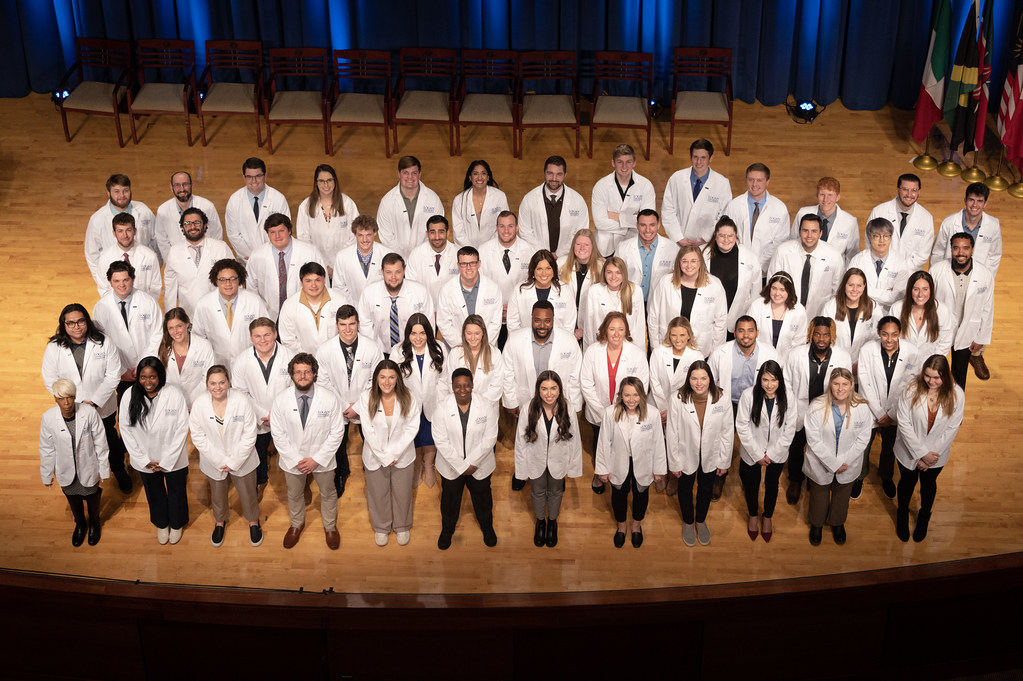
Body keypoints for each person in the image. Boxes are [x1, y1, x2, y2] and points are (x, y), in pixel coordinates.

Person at [42, 303, 131, 493]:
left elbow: (113, 374)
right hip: (71, 408)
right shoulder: (54, 348)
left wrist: (95, 402)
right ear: (63, 325)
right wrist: (72, 403)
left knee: (109, 438)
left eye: (80, 321)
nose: (76, 326)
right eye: (70, 323)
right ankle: (84, 478)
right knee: (79, 442)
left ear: (87, 322)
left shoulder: (104, 342)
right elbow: (50, 380)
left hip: (102, 406)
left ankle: (118, 469)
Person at [270, 353, 345, 550]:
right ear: (292, 375)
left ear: (314, 373)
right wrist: (295, 459)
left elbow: (337, 432)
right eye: (298, 372)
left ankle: (330, 526)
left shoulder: (329, 399)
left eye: (307, 372)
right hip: (292, 460)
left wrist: (317, 459)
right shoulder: (280, 400)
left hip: (323, 459)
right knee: (294, 494)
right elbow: (277, 434)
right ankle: (296, 524)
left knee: (328, 493)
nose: (302, 376)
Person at [188, 365, 263, 548]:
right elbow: (197, 435)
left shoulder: (242, 400)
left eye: (222, 382)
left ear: (229, 382)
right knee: (218, 494)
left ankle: (253, 521)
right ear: (207, 384)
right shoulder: (199, 404)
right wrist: (220, 460)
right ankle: (219, 521)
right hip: (214, 461)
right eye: (213, 383)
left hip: (243, 459)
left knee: (248, 493)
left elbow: (250, 433)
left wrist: (234, 461)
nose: (218, 387)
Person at [894, 354, 965, 542]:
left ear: (946, 376)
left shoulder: (957, 394)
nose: (931, 381)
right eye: (927, 376)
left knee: (928, 486)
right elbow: (904, 422)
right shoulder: (910, 389)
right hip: (908, 451)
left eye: (936, 377)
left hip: (936, 456)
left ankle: (924, 516)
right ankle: (902, 514)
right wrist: (921, 453)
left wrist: (929, 457)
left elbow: (952, 427)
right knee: (906, 484)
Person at [707, 315, 779, 500]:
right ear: (735, 332)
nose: (745, 335)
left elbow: (778, 380)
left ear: (757, 333)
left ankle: (747, 477)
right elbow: (710, 380)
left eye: (750, 330)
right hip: (727, 402)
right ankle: (719, 476)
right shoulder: (720, 352)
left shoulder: (770, 353)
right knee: (721, 440)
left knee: (751, 440)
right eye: (741, 330)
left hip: (755, 402)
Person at [119, 357, 190, 545]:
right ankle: (161, 523)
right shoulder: (128, 396)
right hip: (145, 459)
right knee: (154, 492)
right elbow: (125, 430)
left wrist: (167, 460)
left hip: (173, 458)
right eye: (143, 377)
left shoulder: (174, 394)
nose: (148, 382)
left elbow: (182, 428)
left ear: (161, 376)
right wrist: (143, 459)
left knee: (176, 491)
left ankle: (176, 524)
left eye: (152, 377)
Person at [315, 305, 383, 497]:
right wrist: (345, 406)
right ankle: (342, 473)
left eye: (352, 324)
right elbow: (324, 383)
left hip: (366, 404)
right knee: (338, 442)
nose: (347, 329)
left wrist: (359, 406)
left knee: (371, 438)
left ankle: (371, 470)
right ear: (336, 325)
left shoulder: (372, 347)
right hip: (338, 406)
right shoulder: (325, 350)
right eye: (343, 325)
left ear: (358, 324)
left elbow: (376, 380)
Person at [783, 317, 853, 505]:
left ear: (832, 336)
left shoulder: (842, 356)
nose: (821, 338)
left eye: (826, 334)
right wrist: (790, 409)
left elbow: (845, 386)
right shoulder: (796, 354)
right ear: (811, 334)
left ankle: (814, 479)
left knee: (821, 446)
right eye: (817, 334)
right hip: (800, 409)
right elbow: (787, 383)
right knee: (797, 446)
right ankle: (796, 480)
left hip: (827, 410)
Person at [803, 367, 872, 546]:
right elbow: (813, 440)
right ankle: (817, 524)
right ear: (830, 385)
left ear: (851, 385)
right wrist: (833, 462)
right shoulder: (817, 406)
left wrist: (844, 461)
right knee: (819, 494)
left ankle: (837, 522)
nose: (840, 388)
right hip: (821, 462)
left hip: (849, 463)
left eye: (844, 384)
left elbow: (864, 437)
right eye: (836, 384)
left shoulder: (862, 407)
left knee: (842, 494)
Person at [581, 312, 649, 494]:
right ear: (605, 330)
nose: (616, 333)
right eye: (612, 329)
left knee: (623, 445)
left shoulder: (636, 354)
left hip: (628, 411)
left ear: (626, 330)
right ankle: (599, 473)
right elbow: (586, 383)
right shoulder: (593, 351)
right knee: (600, 443)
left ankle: (622, 474)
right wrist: (603, 412)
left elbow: (641, 385)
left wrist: (624, 410)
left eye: (620, 329)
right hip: (598, 412)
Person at [666, 361, 733, 546]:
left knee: (705, 489)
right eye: (694, 378)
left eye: (703, 378)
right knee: (685, 489)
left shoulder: (722, 397)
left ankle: (700, 520)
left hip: (712, 455)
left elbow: (727, 431)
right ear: (689, 379)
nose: (699, 382)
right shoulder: (677, 398)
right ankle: (688, 521)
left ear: (710, 378)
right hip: (685, 454)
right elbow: (672, 433)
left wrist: (724, 461)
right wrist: (674, 463)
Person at [514, 370, 582, 548]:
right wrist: (521, 469)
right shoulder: (528, 408)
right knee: (537, 492)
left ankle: (552, 521)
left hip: (558, 461)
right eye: (544, 389)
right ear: (538, 390)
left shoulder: (569, 408)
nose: (549, 393)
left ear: (560, 389)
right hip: (535, 460)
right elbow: (520, 442)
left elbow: (575, 440)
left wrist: (573, 467)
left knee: (555, 492)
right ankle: (540, 522)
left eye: (553, 388)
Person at [595, 377, 666, 548]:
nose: (631, 400)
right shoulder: (610, 413)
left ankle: (636, 525)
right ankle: (621, 526)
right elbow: (603, 442)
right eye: (627, 395)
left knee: (641, 495)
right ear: (621, 396)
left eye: (635, 395)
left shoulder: (653, 414)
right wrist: (602, 469)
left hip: (644, 463)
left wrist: (659, 470)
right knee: (618, 495)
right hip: (618, 462)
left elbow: (658, 443)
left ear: (642, 395)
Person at [356, 358, 421, 547]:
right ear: (376, 378)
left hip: (403, 456)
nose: (387, 381)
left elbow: (412, 427)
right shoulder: (366, 397)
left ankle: (402, 525)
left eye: (391, 377)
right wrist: (385, 456)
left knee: (402, 493)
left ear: (398, 379)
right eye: (382, 377)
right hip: (375, 456)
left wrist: (394, 453)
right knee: (378, 493)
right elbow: (368, 430)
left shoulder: (409, 396)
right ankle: (382, 526)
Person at [433, 368, 500, 549]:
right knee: (449, 501)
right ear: (452, 387)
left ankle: (487, 528)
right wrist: (461, 465)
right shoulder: (441, 407)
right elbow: (440, 440)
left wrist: (472, 462)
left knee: (483, 499)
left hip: (479, 466)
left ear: (472, 385)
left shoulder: (486, 405)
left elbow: (490, 437)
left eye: (466, 385)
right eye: (458, 386)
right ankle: (447, 530)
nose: (462, 389)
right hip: (451, 467)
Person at [856, 316, 920, 500]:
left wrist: (891, 414)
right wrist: (878, 412)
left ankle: (886, 476)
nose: (889, 339)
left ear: (900, 333)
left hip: (896, 412)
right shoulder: (868, 350)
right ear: (879, 333)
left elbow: (909, 386)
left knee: (890, 447)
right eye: (885, 334)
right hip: (870, 409)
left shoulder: (912, 352)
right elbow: (864, 382)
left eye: (894, 334)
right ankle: (859, 477)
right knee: (864, 446)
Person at [39, 378, 109, 546]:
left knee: (91, 494)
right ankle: (80, 523)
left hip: (88, 466)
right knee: (72, 496)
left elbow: (101, 442)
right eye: (61, 398)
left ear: (75, 396)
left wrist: (104, 469)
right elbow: (46, 448)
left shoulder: (89, 413)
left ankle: (94, 521)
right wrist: (47, 475)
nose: (67, 402)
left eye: (70, 397)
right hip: (66, 469)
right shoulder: (48, 418)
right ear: (55, 398)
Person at [230, 317, 294, 497]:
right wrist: (265, 414)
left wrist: (278, 414)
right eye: (257, 336)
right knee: (259, 450)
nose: (263, 340)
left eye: (267, 334)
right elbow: (241, 393)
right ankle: (261, 480)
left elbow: (294, 388)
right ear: (251, 338)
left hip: (286, 414)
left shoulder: (289, 356)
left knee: (292, 448)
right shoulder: (241, 361)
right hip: (258, 417)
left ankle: (298, 483)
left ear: (275, 334)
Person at [735, 361, 796, 542]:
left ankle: (767, 516)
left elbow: (790, 429)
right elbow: (742, 427)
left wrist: (772, 454)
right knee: (751, 485)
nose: (769, 385)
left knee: (772, 485)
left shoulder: (789, 397)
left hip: (777, 452)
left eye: (774, 380)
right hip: (752, 451)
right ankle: (753, 515)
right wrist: (757, 454)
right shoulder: (748, 396)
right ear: (759, 379)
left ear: (780, 381)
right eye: (765, 380)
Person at [930, 233, 995, 388]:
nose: (960, 253)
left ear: (972, 249)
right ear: (951, 249)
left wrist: (982, 338)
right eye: (956, 248)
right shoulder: (937, 271)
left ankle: (956, 406)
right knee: (935, 369)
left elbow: (988, 308)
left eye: (966, 248)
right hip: (941, 330)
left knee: (959, 373)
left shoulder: (984, 274)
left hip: (967, 332)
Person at [90, 261, 163, 395]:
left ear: (133, 279)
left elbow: (157, 334)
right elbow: (101, 342)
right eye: (116, 281)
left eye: (126, 280)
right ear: (110, 282)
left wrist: (144, 363)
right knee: (125, 407)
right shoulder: (101, 307)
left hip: (148, 369)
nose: (122, 285)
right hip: (120, 370)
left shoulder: (148, 302)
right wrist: (122, 370)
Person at [390, 313, 445, 488]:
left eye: (422, 333)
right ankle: (416, 467)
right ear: (408, 334)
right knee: (414, 437)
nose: (418, 338)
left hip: (433, 403)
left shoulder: (439, 348)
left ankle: (428, 466)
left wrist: (440, 400)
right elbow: (393, 379)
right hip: (409, 405)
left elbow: (445, 379)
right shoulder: (398, 351)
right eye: (414, 333)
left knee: (430, 438)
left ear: (428, 333)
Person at [647, 245, 727, 357]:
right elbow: (653, 315)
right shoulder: (665, 282)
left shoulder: (714, 285)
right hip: (668, 345)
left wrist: (716, 349)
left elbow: (721, 321)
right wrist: (655, 344)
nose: (689, 265)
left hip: (702, 347)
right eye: (684, 261)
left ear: (701, 262)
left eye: (693, 261)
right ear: (678, 263)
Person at [246, 213, 329, 319]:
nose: (277, 236)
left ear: (289, 231)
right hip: (268, 315)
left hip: (304, 314)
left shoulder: (310, 252)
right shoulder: (257, 255)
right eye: (272, 232)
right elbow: (251, 287)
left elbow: (323, 282)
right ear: (267, 234)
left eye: (281, 231)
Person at [84, 173, 158, 291]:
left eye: (125, 190)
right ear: (108, 194)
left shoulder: (144, 211)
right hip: (114, 283)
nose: (122, 195)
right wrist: (104, 282)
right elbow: (92, 255)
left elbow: (155, 241)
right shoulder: (97, 219)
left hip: (142, 279)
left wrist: (151, 269)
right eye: (116, 191)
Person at [191, 258, 270, 364]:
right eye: (222, 279)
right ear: (216, 281)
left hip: (250, 361)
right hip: (216, 363)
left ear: (239, 280)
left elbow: (266, 331)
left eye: (232, 278)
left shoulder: (254, 301)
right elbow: (198, 337)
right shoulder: (204, 304)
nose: (228, 284)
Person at [478, 210, 536, 349]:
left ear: (517, 228)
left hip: (520, 314)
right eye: (502, 226)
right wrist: (498, 306)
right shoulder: (483, 250)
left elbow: (532, 284)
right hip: (491, 312)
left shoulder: (529, 251)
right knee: (492, 354)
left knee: (518, 353)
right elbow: (480, 284)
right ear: (496, 227)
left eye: (510, 226)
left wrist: (513, 308)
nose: (506, 230)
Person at [356, 252, 434, 355]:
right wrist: (373, 352)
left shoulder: (420, 292)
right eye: (388, 272)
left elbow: (429, 325)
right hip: (381, 352)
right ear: (382, 272)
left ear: (404, 271)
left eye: (398, 272)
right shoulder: (369, 293)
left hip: (413, 350)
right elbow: (365, 326)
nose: (393, 277)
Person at [723, 163, 790, 279]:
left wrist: (757, 263)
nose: (754, 184)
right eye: (751, 180)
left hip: (765, 270)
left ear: (767, 182)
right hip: (736, 266)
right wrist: (744, 261)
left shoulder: (779, 208)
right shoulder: (734, 205)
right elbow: (726, 235)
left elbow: (780, 241)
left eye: (759, 180)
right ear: (746, 180)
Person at [660, 138, 732, 246]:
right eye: (695, 157)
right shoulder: (677, 178)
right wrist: (678, 238)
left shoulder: (722, 184)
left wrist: (706, 240)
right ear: (690, 157)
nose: (699, 162)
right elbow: (667, 210)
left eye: (703, 157)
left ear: (711, 158)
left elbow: (724, 216)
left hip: (706, 244)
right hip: (677, 242)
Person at [163, 207, 234, 317]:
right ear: (182, 228)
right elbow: (170, 291)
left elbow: (235, 280)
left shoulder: (221, 248)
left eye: (197, 222)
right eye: (187, 223)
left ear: (205, 225)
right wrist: (171, 318)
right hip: (188, 315)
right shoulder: (174, 252)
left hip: (219, 313)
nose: (192, 227)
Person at [769, 214, 844, 318]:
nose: (809, 236)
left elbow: (837, 291)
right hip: (785, 313)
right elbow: (771, 285)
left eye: (814, 231)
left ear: (820, 233)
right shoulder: (783, 251)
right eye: (805, 230)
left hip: (820, 315)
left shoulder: (834, 256)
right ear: (799, 232)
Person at [517, 155, 590, 259]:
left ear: (565, 175)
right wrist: (544, 253)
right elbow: (525, 232)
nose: (554, 179)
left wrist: (560, 253)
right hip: (537, 255)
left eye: (559, 174)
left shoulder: (578, 201)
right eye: (550, 173)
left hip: (567, 257)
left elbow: (581, 233)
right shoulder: (529, 199)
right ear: (544, 173)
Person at [590, 143, 656, 255]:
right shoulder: (601, 186)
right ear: (613, 163)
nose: (624, 166)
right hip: (605, 245)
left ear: (634, 163)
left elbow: (647, 221)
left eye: (628, 162)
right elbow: (600, 222)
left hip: (633, 244)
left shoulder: (645, 185)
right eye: (620, 162)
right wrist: (632, 220)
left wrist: (616, 216)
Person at [296, 164, 359, 275]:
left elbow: (355, 234)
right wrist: (322, 265)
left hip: (343, 264)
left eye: (329, 180)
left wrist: (336, 264)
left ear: (335, 181)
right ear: (316, 183)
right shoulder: (305, 206)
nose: (326, 185)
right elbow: (304, 239)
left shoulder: (347, 203)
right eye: (321, 181)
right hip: (317, 266)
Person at [376, 155, 444, 258]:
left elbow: (437, 231)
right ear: (399, 174)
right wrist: (400, 259)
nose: (410, 177)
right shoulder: (387, 202)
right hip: (396, 259)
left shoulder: (433, 199)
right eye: (405, 173)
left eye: (414, 173)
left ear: (420, 174)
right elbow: (386, 236)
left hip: (424, 257)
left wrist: (418, 256)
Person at [224, 157, 291, 261]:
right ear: (244, 177)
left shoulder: (278, 199)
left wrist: (267, 254)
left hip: (273, 256)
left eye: (258, 176)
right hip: (246, 258)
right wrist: (252, 256)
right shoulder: (234, 200)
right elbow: (233, 234)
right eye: (249, 177)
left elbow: (284, 230)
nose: (253, 181)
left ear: (265, 175)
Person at [703, 216, 759, 340]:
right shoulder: (702, 255)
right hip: (707, 320)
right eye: (722, 235)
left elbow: (755, 294)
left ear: (736, 236)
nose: (726, 240)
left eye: (730, 235)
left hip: (736, 323)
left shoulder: (750, 258)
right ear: (715, 235)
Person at [435, 246, 503, 349]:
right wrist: (463, 347)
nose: (468, 267)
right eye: (463, 264)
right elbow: (444, 323)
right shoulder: (446, 290)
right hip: (457, 348)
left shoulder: (493, 288)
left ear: (479, 264)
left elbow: (496, 323)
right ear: (458, 265)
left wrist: (481, 345)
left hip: (486, 347)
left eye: (472, 263)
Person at [931, 182, 1002, 279]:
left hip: (977, 277)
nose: (974, 205)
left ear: (985, 204)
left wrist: (987, 278)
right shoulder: (949, 223)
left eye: (980, 201)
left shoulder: (993, 225)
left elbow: (994, 256)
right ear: (965, 200)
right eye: (971, 200)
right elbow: (937, 253)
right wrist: (934, 278)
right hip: (949, 275)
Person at [867, 173, 934, 271]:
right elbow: (870, 243)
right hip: (881, 270)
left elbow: (922, 255)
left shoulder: (926, 218)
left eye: (914, 190)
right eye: (905, 189)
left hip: (910, 274)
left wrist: (900, 271)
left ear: (919, 192)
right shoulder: (879, 212)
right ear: (898, 189)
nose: (909, 194)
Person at [155, 170, 224, 260]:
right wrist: (171, 261)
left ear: (192, 185)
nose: (182, 189)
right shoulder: (163, 211)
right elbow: (162, 240)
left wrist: (213, 258)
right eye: (177, 185)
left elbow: (217, 235)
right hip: (178, 260)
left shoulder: (207, 206)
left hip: (206, 258)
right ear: (171, 188)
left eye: (185, 184)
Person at [648, 316, 704, 429]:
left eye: (682, 335)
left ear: (689, 335)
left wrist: (672, 411)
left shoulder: (697, 356)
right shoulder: (658, 352)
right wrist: (664, 409)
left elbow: (694, 387)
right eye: (674, 335)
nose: (678, 340)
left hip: (683, 408)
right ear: (669, 335)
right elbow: (654, 382)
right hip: (657, 407)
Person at [580, 256, 645, 350]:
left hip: (628, 346)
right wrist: (589, 351)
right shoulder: (594, 291)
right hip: (601, 346)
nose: (613, 277)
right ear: (604, 273)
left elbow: (639, 326)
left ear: (624, 274)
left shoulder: (635, 291)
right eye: (609, 272)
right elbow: (589, 327)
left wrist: (640, 353)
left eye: (618, 272)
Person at [507, 249, 577, 336]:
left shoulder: (565, 291)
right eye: (539, 269)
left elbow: (569, 325)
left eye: (548, 268)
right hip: (525, 343)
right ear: (533, 271)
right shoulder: (520, 290)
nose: (544, 273)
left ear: (554, 270)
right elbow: (512, 323)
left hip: (557, 344)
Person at [789, 177, 860, 264]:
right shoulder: (802, 213)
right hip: (805, 265)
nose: (825, 199)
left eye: (830, 195)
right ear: (817, 195)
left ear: (837, 197)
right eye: (822, 194)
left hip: (834, 270)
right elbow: (792, 242)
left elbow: (852, 255)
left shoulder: (850, 222)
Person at [277, 262, 342, 355]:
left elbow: (347, 332)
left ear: (324, 280)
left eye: (317, 280)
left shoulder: (340, 300)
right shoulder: (289, 305)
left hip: (335, 357)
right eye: (308, 281)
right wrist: (306, 359)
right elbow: (288, 340)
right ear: (301, 283)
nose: (313, 285)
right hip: (303, 361)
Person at [438, 314, 505, 403]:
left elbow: (497, 385)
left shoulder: (495, 354)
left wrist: (478, 403)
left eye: (477, 333)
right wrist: (465, 401)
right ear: (463, 333)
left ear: (483, 333)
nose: (473, 338)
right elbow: (451, 383)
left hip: (488, 406)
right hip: (461, 404)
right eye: (469, 333)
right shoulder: (455, 353)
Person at [847, 217, 910, 311]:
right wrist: (887, 293)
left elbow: (898, 297)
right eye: (876, 236)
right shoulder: (857, 261)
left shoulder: (901, 263)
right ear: (869, 237)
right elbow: (851, 290)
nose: (882, 240)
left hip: (889, 316)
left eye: (886, 236)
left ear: (891, 237)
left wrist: (865, 290)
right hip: (861, 312)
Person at [619, 209, 679, 307]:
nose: (647, 230)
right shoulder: (623, 248)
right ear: (637, 225)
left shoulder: (673, 249)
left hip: (659, 302)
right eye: (643, 225)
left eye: (652, 225)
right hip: (630, 301)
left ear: (658, 225)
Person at [889, 271, 955, 361]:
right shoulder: (897, 308)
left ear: (931, 290)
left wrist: (931, 364)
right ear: (910, 290)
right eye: (916, 289)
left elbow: (945, 341)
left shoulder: (942, 310)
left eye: (925, 289)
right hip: (901, 362)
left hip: (929, 364)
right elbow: (892, 338)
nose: (920, 294)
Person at [158, 307, 216, 409]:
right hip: (170, 403)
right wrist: (177, 402)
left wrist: (191, 403)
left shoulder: (204, 346)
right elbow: (161, 379)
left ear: (187, 324)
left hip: (198, 403)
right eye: (171, 328)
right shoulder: (163, 347)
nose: (175, 331)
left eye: (179, 326)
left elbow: (207, 379)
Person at [331, 215, 395, 305]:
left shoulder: (388, 254)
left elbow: (394, 283)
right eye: (360, 235)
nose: (365, 240)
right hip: (353, 307)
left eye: (368, 235)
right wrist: (351, 307)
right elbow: (338, 287)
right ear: (355, 235)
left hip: (382, 306)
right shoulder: (342, 257)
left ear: (375, 233)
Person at [746, 272, 808, 364]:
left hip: (786, 363)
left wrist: (788, 365)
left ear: (789, 291)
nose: (777, 293)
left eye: (782, 290)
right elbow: (749, 334)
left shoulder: (799, 311)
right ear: (769, 288)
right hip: (758, 360)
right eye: (774, 288)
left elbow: (799, 342)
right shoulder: (757, 306)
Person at [820, 268, 879, 365]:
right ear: (844, 285)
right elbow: (824, 338)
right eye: (851, 285)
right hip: (834, 362)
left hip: (863, 363)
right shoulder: (830, 307)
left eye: (859, 285)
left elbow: (876, 340)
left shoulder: (874, 308)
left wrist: (860, 363)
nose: (855, 290)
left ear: (864, 287)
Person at [97, 213, 161, 300]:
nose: (125, 235)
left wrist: (144, 307)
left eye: (128, 230)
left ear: (135, 231)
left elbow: (155, 288)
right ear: (114, 233)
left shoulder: (150, 256)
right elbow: (104, 289)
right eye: (120, 231)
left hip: (143, 307)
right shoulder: (105, 259)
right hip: (116, 309)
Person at [557, 229, 604, 341]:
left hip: (592, 323)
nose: (582, 248)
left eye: (586, 244)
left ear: (593, 247)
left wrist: (584, 327)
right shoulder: (561, 263)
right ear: (573, 246)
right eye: (578, 244)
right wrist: (569, 328)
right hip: (565, 321)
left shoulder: (603, 266)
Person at [451, 159, 510, 248]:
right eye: (475, 174)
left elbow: (504, 224)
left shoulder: (500, 196)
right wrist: (471, 251)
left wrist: (488, 248)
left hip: (493, 248)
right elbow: (458, 232)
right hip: (467, 251)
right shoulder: (459, 200)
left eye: (483, 173)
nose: (480, 178)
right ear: (470, 177)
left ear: (488, 177)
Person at [406, 214, 460, 308]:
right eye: (432, 232)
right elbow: (411, 288)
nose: (437, 237)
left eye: (441, 232)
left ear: (448, 233)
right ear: (427, 234)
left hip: (453, 309)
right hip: (423, 309)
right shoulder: (415, 255)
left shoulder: (458, 254)